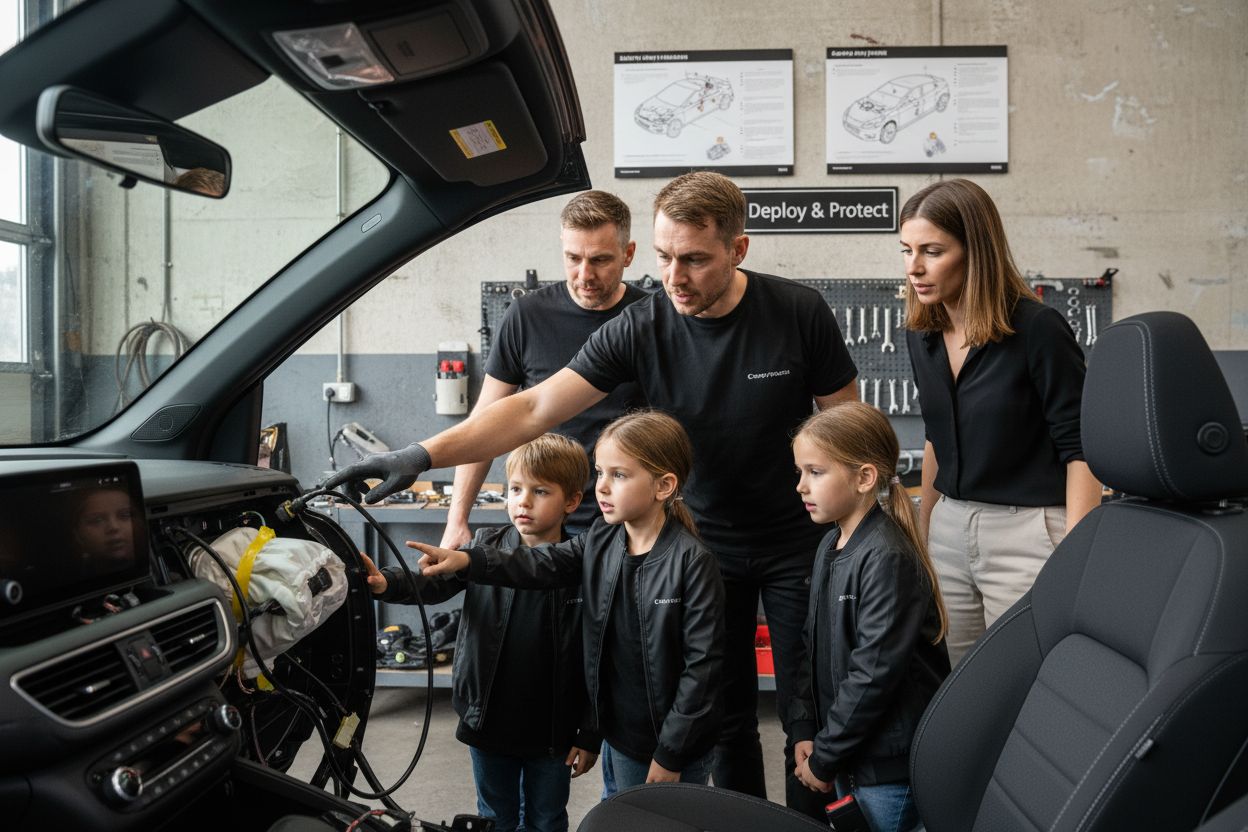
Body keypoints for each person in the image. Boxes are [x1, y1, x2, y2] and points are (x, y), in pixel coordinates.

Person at [326, 171, 857, 817]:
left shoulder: (798, 312)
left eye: (694, 259)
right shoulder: (641, 326)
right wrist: (421, 454)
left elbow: (844, 433)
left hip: (793, 542)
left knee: (807, 711)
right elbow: (534, 407)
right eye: (664, 257)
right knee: (723, 712)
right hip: (700, 548)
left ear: (738, 250)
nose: (675, 276)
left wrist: (855, 535)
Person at [414, 411, 725, 793]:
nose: (603, 488)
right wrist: (468, 559)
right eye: (600, 473)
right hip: (621, 737)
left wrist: (672, 752)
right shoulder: (603, 540)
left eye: (619, 475)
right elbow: (540, 562)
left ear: (664, 486)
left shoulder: (692, 562)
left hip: (668, 744)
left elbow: (703, 670)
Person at [901, 178, 1101, 666]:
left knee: (1023, 679)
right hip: (949, 527)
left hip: (1029, 532)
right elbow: (936, 441)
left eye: (932, 251)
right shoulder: (922, 334)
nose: (915, 268)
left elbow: (1082, 449)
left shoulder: (1038, 329)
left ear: (975, 251)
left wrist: (1076, 555)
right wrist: (926, 533)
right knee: (959, 682)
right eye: (906, 250)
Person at [360, 433, 599, 832]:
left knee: (546, 818)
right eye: (516, 489)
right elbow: (432, 583)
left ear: (571, 502)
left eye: (540, 491)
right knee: (494, 817)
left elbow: (595, 657)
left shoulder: (583, 567)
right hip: (488, 722)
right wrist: (387, 582)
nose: (522, 501)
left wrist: (590, 732)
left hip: (553, 730)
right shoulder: (483, 547)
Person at [441, 190, 648, 548]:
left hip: (628, 524)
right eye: (573, 258)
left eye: (600, 260)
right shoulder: (527, 316)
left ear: (628, 254)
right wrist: (457, 519)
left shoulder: (649, 319)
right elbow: (486, 421)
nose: (585, 275)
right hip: (549, 523)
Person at [788, 402, 950, 832]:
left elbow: (873, 674)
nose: (801, 486)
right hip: (848, 755)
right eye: (800, 472)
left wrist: (825, 757)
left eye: (815, 473)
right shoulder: (830, 545)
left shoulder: (886, 557)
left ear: (864, 478)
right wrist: (805, 724)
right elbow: (813, 643)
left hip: (886, 772)